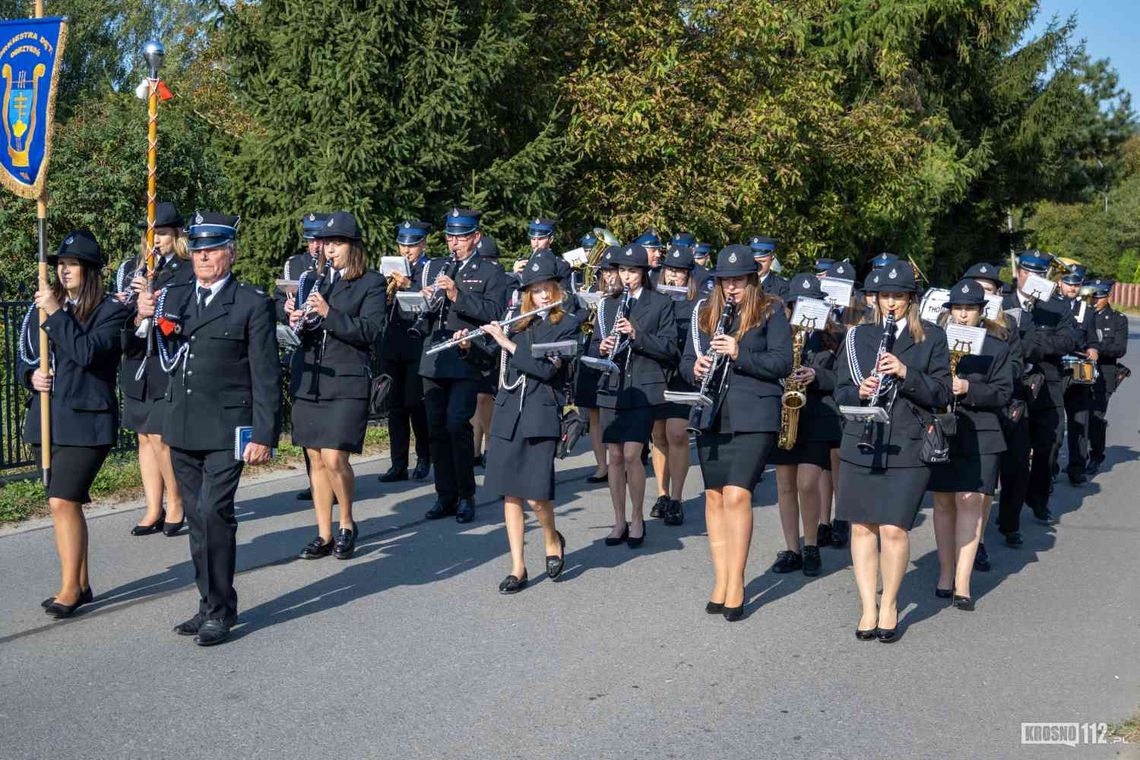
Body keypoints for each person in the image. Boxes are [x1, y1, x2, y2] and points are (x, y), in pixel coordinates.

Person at [139, 211, 281, 646]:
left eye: (213, 250)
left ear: (230, 255)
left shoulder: (251, 302)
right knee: (198, 520)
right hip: (181, 425)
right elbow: (137, 347)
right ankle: (209, 603)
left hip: (225, 428)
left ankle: (220, 609)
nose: (203, 257)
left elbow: (266, 374)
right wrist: (142, 315)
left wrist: (263, 434)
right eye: (198, 250)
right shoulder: (175, 295)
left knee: (215, 513)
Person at [834, 261, 950, 642]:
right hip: (861, 441)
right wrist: (860, 392)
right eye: (885, 296)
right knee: (863, 527)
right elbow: (840, 394)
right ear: (875, 299)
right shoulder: (858, 337)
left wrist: (905, 373)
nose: (891, 303)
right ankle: (868, 605)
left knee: (893, 528)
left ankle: (890, 603)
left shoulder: (930, 336)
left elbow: (942, 393)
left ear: (910, 300)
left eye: (898, 296)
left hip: (907, 442)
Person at [680, 245, 792, 621]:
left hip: (754, 415)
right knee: (713, 497)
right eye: (725, 280)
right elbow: (683, 359)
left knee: (737, 495)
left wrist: (738, 351)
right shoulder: (709, 312)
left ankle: (738, 582)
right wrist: (694, 367)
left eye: (738, 280)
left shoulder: (772, 310)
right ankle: (721, 577)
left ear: (751, 280)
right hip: (713, 414)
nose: (731, 287)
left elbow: (781, 362)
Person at [21, 230, 129, 618]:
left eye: (72, 265)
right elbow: (25, 354)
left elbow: (85, 352)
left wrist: (57, 314)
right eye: (61, 265)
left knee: (62, 499)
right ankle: (81, 582)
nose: (64, 271)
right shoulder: (44, 307)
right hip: (48, 419)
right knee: (64, 505)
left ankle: (68, 587)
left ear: (90, 270)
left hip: (87, 423)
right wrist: (30, 375)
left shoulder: (111, 310)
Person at [456, 257, 580, 593]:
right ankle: (517, 566)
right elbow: (494, 365)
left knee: (537, 497)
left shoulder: (567, 325)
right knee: (510, 494)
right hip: (508, 414)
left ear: (556, 290)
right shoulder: (516, 322)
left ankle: (552, 537)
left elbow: (548, 370)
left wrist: (507, 342)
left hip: (540, 415)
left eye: (546, 289)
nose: (541, 295)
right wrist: (469, 348)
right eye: (534, 290)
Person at [284, 211, 387, 560]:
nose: (329, 249)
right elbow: (311, 329)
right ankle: (323, 533)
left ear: (353, 246)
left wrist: (329, 314)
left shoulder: (371, 283)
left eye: (337, 243)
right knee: (314, 458)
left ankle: (346, 523)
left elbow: (371, 331)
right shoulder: (315, 281)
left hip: (346, 379)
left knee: (334, 456)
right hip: (312, 378)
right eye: (326, 243)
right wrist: (297, 318)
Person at [418, 208, 509, 524]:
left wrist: (457, 294)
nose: (454, 243)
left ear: (476, 237)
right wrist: (421, 300)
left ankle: (466, 495)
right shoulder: (438, 267)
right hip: (434, 356)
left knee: (457, 423)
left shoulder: (491, 273)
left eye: (461, 237)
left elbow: (495, 311)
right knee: (436, 428)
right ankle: (445, 495)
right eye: (450, 236)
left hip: (467, 357)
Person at [928, 280, 1013, 611]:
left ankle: (963, 581)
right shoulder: (937, 343)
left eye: (970, 309)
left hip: (982, 431)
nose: (963, 315)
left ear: (982, 312)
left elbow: (1004, 393)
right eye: (958, 309)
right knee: (944, 502)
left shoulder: (996, 346)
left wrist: (968, 388)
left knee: (971, 501)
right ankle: (945, 573)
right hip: (944, 430)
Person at [592, 244, 677, 548]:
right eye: (622, 271)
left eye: (633, 271)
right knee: (614, 456)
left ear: (644, 272)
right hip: (612, 387)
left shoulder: (660, 303)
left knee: (631, 455)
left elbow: (669, 348)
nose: (626, 277)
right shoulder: (608, 304)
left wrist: (636, 334)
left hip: (643, 387)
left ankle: (638, 517)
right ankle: (619, 520)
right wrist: (600, 348)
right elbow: (591, 346)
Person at [116, 201, 194, 536]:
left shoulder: (186, 270)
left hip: (167, 359)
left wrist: (154, 306)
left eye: (162, 233)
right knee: (143, 437)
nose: (156, 240)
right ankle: (152, 506)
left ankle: (176, 502)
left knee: (162, 437)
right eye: (152, 234)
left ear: (176, 235)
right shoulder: (131, 269)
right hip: (137, 360)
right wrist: (134, 308)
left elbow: (184, 318)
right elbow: (117, 315)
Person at [997, 251, 1076, 545]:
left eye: (1040, 275)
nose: (1032, 279)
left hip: (1048, 385)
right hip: (1015, 387)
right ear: (1019, 272)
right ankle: (1009, 521)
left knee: (1051, 444)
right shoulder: (1003, 302)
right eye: (1028, 272)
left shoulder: (1057, 304)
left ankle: (1038, 498)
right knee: (1015, 458)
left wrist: (1032, 343)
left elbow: (1069, 340)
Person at [768, 274, 841, 577]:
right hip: (785, 415)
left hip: (818, 417)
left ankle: (810, 544)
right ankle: (791, 549)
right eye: (799, 304)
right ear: (790, 305)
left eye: (811, 304)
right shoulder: (778, 335)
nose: (804, 310)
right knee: (785, 485)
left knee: (807, 483)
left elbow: (844, 381)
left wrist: (817, 376)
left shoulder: (834, 338)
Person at [962, 261, 1024, 572]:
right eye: (974, 287)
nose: (979, 293)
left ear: (996, 295)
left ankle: (979, 539)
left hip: (990, 412)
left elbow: (1012, 370)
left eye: (986, 290)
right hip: (956, 413)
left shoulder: (1005, 329)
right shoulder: (949, 324)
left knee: (983, 486)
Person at [276, 212, 328, 502]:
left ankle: (331, 478)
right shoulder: (294, 265)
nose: (315, 246)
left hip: (327, 345)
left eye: (319, 239)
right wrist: (286, 308)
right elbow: (275, 301)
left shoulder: (333, 268)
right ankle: (314, 480)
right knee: (305, 421)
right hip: (301, 349)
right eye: (310, 240)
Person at [378, 220, 433, 483]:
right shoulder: (388, 270)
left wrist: (409, 285)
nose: (406, 250)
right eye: (402, 245)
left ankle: (424, 457)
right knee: (395, 406)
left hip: (417, 344)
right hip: (392, 343)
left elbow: (429, 303)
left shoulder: (428, 269)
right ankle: (397, 463)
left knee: (415, 404)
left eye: (411, 245)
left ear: (422, 244)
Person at [650, 244, 700, 526]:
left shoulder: (696, 305)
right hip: (658, 372)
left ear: (688, 276)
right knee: (658, 434)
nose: (673, 276)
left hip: (683, 373)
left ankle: (678, 498)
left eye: (680, 271)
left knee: (677, 434)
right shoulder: (654, 300)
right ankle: (662, 493)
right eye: (670, 270)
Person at [577, 247, 621, 483]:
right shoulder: (595, 291)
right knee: (593, 412)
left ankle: (617, 461)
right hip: (592, 353)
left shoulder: (625, 298)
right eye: (605, 271)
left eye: (613, 271)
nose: (609, 276)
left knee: (611, 413)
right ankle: (601, 465)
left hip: (615, 358)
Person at [1056, 265, 1099, 485]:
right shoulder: (1049, 306)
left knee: (1079, 419)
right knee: (1054, 421)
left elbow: (1092, 339)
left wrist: (1093, 349)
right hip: (1056, 368)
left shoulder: (1087, 311)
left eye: (1076, 284)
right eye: (1068, 283)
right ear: (1059, 283)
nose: (1072, 287)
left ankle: (1076, 467)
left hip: (1079, 368)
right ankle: (1050, 466)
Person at [1087, 278, 1128, 474]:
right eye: (1093, 296)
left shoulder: (1118, 319)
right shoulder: (1082, 314)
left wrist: (1095, 347)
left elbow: (1120, 348)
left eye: (1099, 297)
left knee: (1095, 416)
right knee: (1078, 416)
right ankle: (1077, 457)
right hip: (1078, 371)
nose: (1095, 301)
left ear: (1107, 297)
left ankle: (1096, 455)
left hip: (1104, 372)